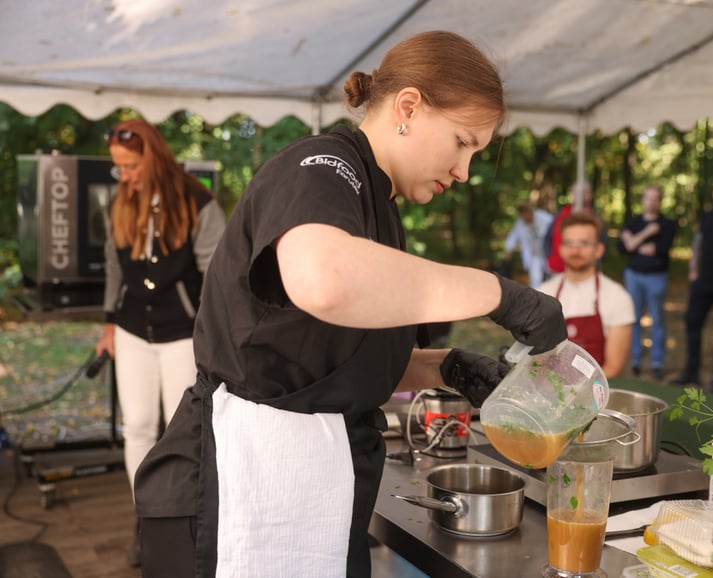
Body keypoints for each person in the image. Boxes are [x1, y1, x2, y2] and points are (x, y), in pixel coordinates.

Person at [133, 30, 568, 578]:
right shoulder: (322, 165)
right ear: (408, 107)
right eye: (462, 143)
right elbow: (324, 280)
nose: (464, 171)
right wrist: (500, 295)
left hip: (312, 484)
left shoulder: (377, 204)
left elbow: (323, 358)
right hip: (231, 488)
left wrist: (444, 367)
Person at [94, 118, 226, 566]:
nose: (124, 176)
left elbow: (215, 275)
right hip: (132, 329)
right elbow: (115, 267)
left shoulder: (197, 202)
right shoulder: (122, 201)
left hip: (181, 333)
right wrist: (109, 325)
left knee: (179, 431)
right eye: (119, 167)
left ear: (153, 158)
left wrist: (211, 332)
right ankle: (146, 518)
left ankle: (181, 523)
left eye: (130, 166)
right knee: (136, 425)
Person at [538, 212, 634, 378]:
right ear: (560, 249)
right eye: (569, 243)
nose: (575, 250)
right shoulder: (543, 294)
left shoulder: (617, 297)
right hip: (549, 388)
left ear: (599, 250)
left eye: (584, 243)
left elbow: (614, 367)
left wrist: (578, 392)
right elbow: (535, 360)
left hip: (597, 389)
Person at [669, 174, 713, 392]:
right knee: (693, 324)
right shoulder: (708, 216)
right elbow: (698, 242)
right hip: (703, 281)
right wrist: (693, 269)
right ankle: (691, 373)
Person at [617, 185, 676, 380]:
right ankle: (636, 359)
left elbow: (658, 249)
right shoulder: (634, 222)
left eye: (655, 198)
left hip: (656, 277)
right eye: (647, 198)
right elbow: (623, 248)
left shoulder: (667, 224)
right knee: (634, 318)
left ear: (660, 201)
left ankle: (657, 362)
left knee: (657, 319)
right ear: (643, 200)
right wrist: (647, 233)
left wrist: (633, 241)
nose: (651, 202)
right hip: (633, 276)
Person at [544, 180, 606, 273]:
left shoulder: (596, 218)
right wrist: (549, 256)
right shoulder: (561, 213)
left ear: (590, 195)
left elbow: (602, 244)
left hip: (584, 272)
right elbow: (548, 237)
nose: (580, 195)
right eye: (577, 192)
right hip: (557, 269)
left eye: (584, 192)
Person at [502, 203, 554, 287]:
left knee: (551, 276)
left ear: (531, 211)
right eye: (522, 213)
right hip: (534, 255)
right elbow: (513, 237)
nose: (524, 216)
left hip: (548, 253)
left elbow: (557, 229)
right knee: (535, 279)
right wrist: (508, 250)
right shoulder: (520, 224)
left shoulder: (545, 218)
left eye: (526, 212)